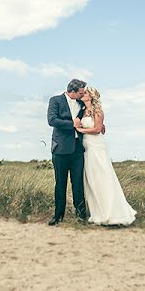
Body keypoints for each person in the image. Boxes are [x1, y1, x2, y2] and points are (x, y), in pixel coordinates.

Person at [76, 86, 136, 226]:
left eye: (85, 92)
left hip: (96, 146)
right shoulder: (82, 111)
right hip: (86, 147)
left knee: (103, 176)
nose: (82, 94)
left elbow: (97, 129)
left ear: (91, 96)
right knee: (92, 180)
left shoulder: (98, 111)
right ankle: (98, 213)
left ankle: (112, 212)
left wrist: (80, 129)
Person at [46, 79, 89, 225]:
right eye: (81, 93)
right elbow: (52, 120)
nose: (83, 95)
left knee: (78, 184)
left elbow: (89, 117)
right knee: (60, 184)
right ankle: (58, 216)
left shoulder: (82, 104)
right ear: (73, 91)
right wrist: (72, 124)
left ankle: (81, 216)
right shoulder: (55, 100)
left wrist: (99, 126)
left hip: (78, 149)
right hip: (60, 149)